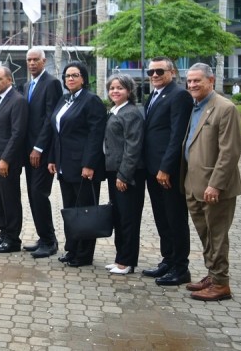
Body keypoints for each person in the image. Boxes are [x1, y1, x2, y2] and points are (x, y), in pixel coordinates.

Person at [182, 63, 241, 301]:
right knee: (206, 235)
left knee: (217, 236)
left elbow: (229, 152)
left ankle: (221, 284)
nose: (192, 85)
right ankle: (212, 274)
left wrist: (216, 184)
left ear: (211, 81)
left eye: (197, 80)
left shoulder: (225, 108)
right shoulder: (196, 106)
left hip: (214, 188)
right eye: (189, 81)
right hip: (194, 184)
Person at [47, 61, 106, 268]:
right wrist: (52, 158)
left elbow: (95, 135)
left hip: (83, 167)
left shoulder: (91, 100)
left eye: (75, 75)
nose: (70, 79)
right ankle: (72, 249)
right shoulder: (65, 99)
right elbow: (57, 132)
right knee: (71, 210)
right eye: (67, 75)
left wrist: (89, 164)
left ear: (83, 78)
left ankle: (84, 254)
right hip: (64, 165)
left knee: (85, 211)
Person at [141, 57, 194, 286]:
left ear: (172, 72)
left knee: (175, 218)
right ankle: (168, 260)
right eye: (151, 72)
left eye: (160, 71)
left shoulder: (179, 95)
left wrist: (166, 168)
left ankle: (180, 268)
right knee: (162, 218)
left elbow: (177, 135)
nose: (154, 75)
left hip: (167, 171)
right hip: (152, 169)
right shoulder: (154, 95)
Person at [22, 48, 63, 259]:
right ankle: (43, 237)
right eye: (29, 60)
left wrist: (38, 148)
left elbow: (50, 118)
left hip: (43, 151)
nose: (31, 63)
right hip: (27, 151)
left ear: (44, 61)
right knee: (32, 195)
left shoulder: (52, 83)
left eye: (35, 60)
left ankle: (50, 241)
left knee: (39, 194)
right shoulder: (27, 85)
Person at [103, 74, 146, 275]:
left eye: (120, 88)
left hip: (127, 174)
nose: (115, 91)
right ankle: (120, 258)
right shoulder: (115, 110)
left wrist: (124, 175)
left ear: (129, 91)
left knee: (129, 218)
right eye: (112, 88)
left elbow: (133, 147)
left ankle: (127, 261)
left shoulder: (131, 113)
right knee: (119, 217)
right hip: (114, 172)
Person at [0, 66, 28, 253]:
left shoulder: (18, 101)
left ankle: (13, 239)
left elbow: (18, 134)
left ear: (9, 80)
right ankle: (3, 234)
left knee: (10, 200)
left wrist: (5, 159)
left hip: (7, 162)